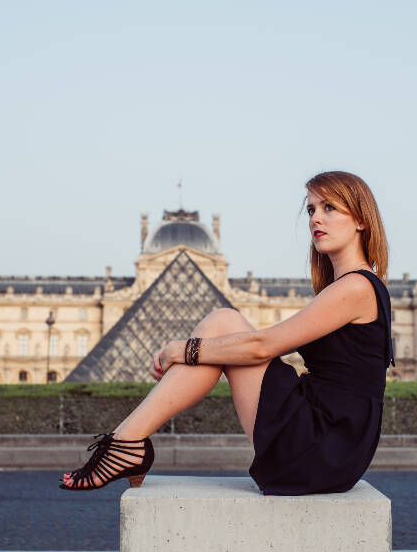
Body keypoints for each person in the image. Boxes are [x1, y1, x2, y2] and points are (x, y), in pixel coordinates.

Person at [59, 170, 395, 494]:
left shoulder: (355, 287)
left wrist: (182, 350)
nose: (315, 219)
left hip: (322, 445)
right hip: (333, 443)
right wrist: (197, 349)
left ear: (361, 219)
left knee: (222, 322)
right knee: (223, 324)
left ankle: (125, 444)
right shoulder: (351, 285)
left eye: (329, 208)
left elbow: (262, 347)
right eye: (311, 209)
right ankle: (127, 443)